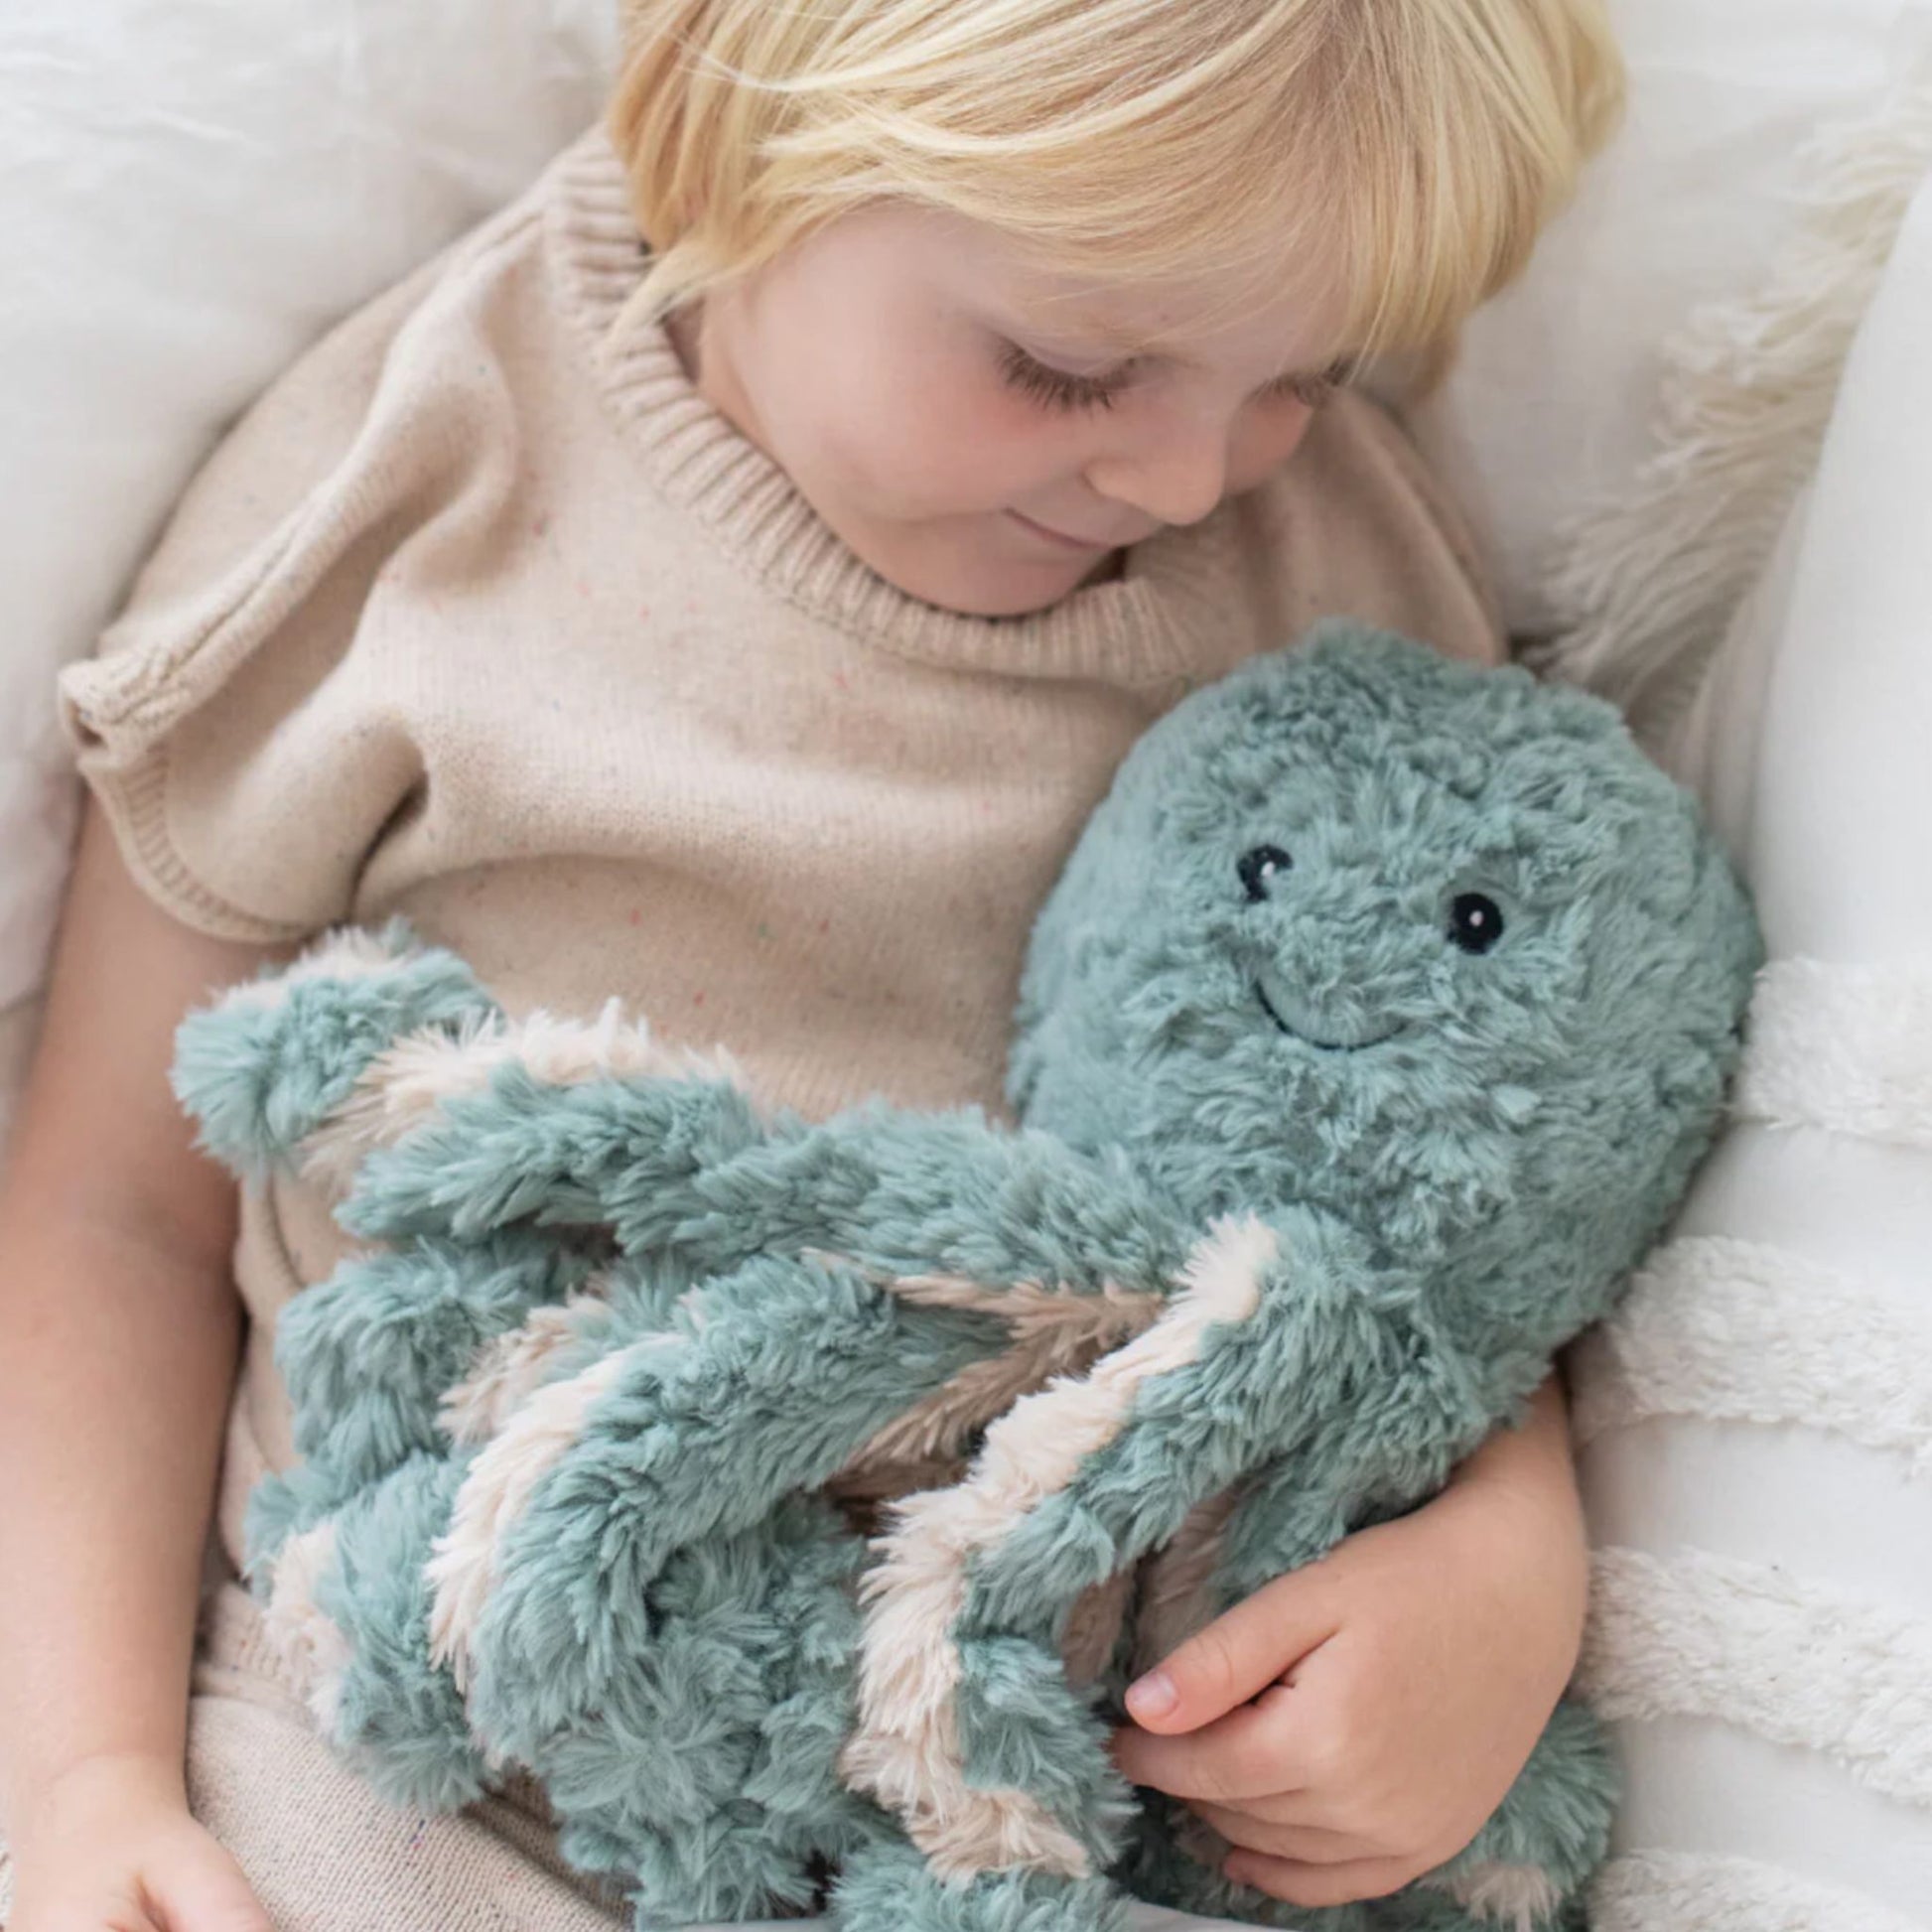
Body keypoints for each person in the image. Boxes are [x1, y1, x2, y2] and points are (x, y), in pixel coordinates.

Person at [0, 2, 1625, 1926]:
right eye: (1064, 364)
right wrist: (83, 1778)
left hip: (1051, 1792)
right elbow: (113, 1209)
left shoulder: (1332, 561)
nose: (1191, 476)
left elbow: (1469, 1189)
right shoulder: (420, 476)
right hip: (420, 1725)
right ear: (747, 148)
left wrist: (1510, 1568)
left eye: (1307, 371)